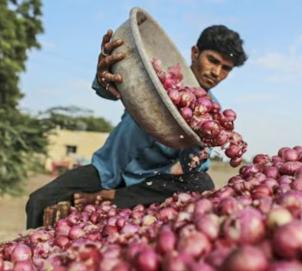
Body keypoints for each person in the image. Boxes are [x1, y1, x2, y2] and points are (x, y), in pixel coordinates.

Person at [25, 24, 248, 229]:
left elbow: (195, 167)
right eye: (213, 60)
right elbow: (113, 87)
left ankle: (112, 197)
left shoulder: (212, 116)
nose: (216, 72)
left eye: (226, 68)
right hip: (107, 170)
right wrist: (104, 76)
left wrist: (199, 148)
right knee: (39, 201)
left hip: (150, 182)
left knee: (202, 183)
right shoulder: (158, 78)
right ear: (195, 53)